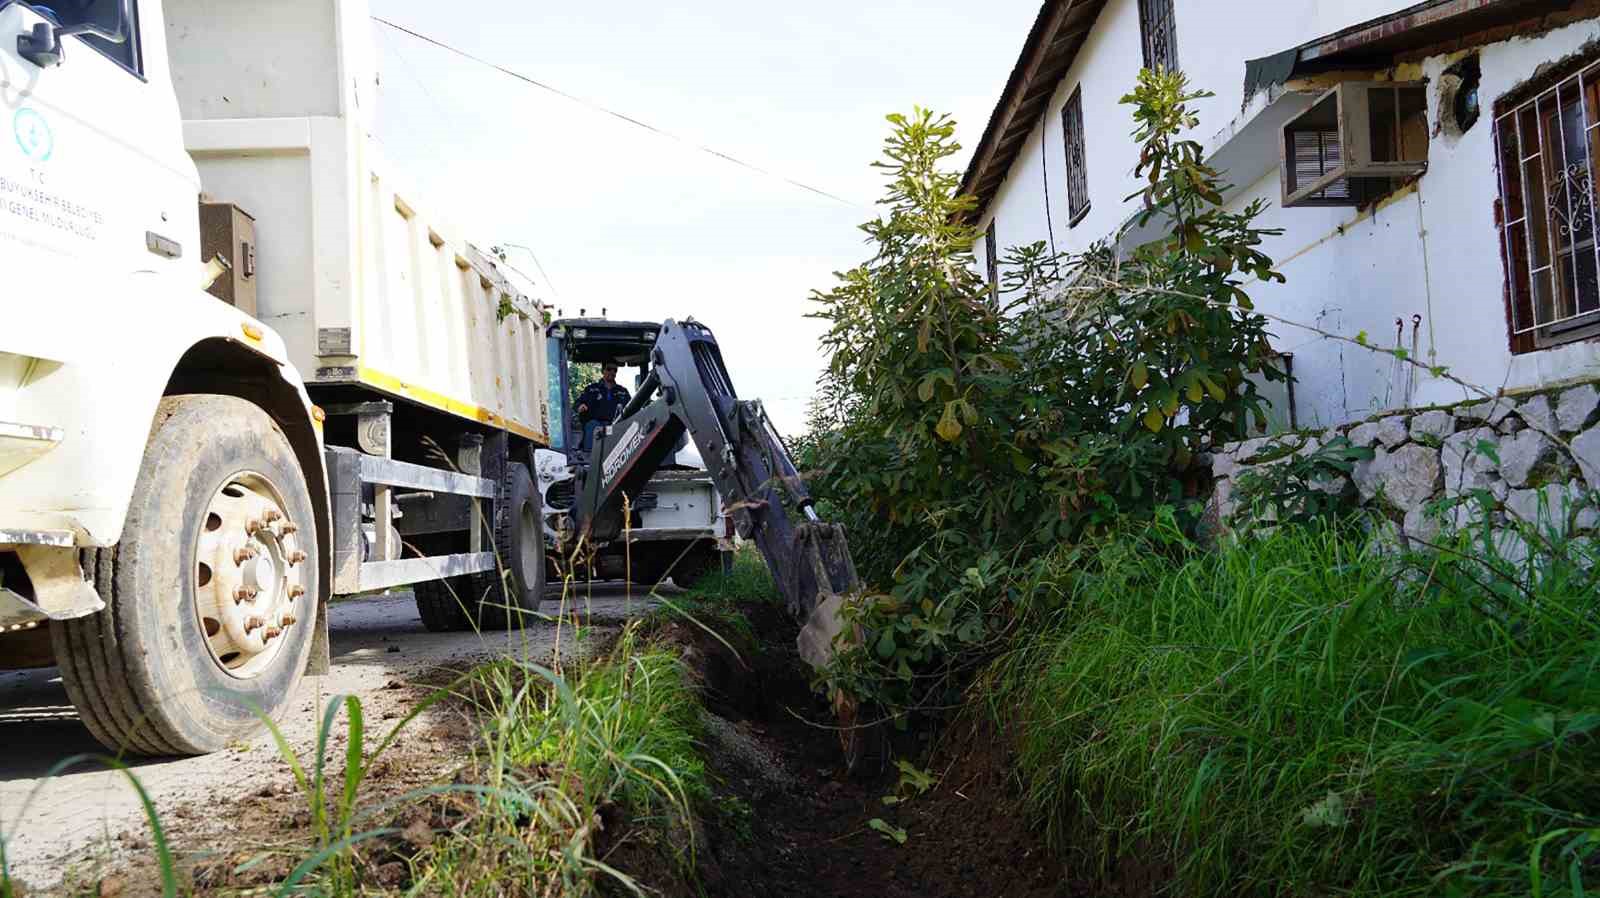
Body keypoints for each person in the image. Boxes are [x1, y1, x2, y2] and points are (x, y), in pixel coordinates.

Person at [576, 361, 631, 453]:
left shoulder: (623, 391)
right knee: (592, 425)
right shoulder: (591, 389)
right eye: (609, 369)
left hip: (615, 426)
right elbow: (578, 403)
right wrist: (581, 406)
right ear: (602, 371)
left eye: (615, 370)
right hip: (595, 426)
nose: (612, 372)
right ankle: (589, 456)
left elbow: (631, 408)